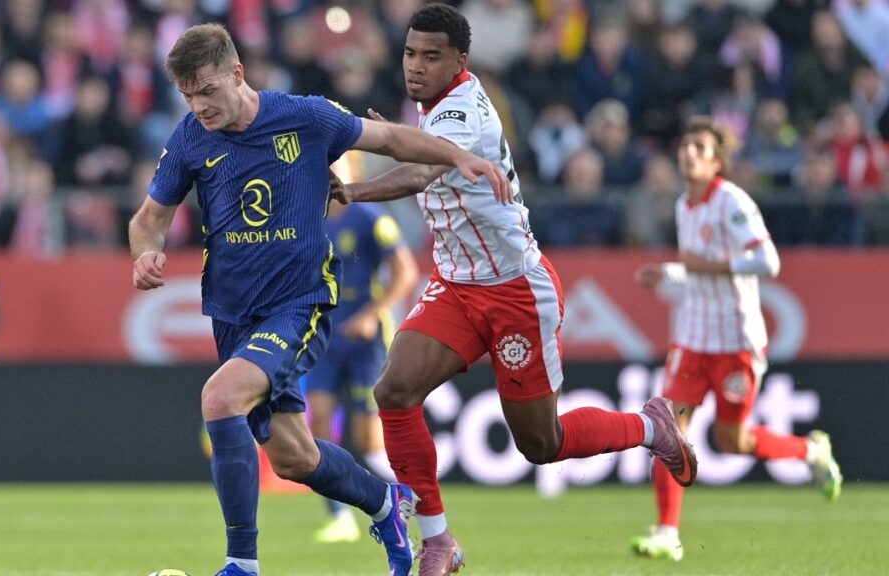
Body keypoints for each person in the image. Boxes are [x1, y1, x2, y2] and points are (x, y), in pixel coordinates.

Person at [127, 23, 510, 576]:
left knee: (220, 398)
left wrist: (458, 157)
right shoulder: (190, 137)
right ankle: (387, 505)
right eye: (188, 95)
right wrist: (145, 253)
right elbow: (148, 220)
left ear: (237, 73)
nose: (199, 105)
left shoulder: (305, 116)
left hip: (297, 303)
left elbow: (390, 140)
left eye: (207, 90)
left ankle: (241, 564)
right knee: (294, 457)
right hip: (232, 313)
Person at [331, 5, 697, 575]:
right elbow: (415, 151)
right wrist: (398, 138)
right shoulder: (429, 109)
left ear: (459, 61)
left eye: (431, 56)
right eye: (409, 53)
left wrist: (355, 190)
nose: (416, 66)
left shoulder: (462, 111)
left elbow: (423, 171)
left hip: (513, 291)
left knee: (541, 444)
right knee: (395, 391)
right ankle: (438, 541)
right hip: (456, 285)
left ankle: (651, 427)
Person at [630, 116, 844, 562]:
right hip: (692, 337)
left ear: (717, 162)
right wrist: (669, 272)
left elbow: (768, 261)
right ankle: (667, 532)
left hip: (736, 341)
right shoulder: (684, 205)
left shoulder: (731, 201)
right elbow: (697, 268)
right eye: (685, 146)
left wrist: (706, 267)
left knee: (733, 441)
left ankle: (811, 451)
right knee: (667, 430)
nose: (689, 153)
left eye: (700, 148)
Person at [305, 192, 419, 544]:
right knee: (318, 422)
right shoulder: (308, 216)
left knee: (367, 439)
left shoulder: (371, 217)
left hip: (365, 340)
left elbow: (406, 271)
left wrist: (371, 315)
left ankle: (415, 497)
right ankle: (339, 517)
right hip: (324, 334)